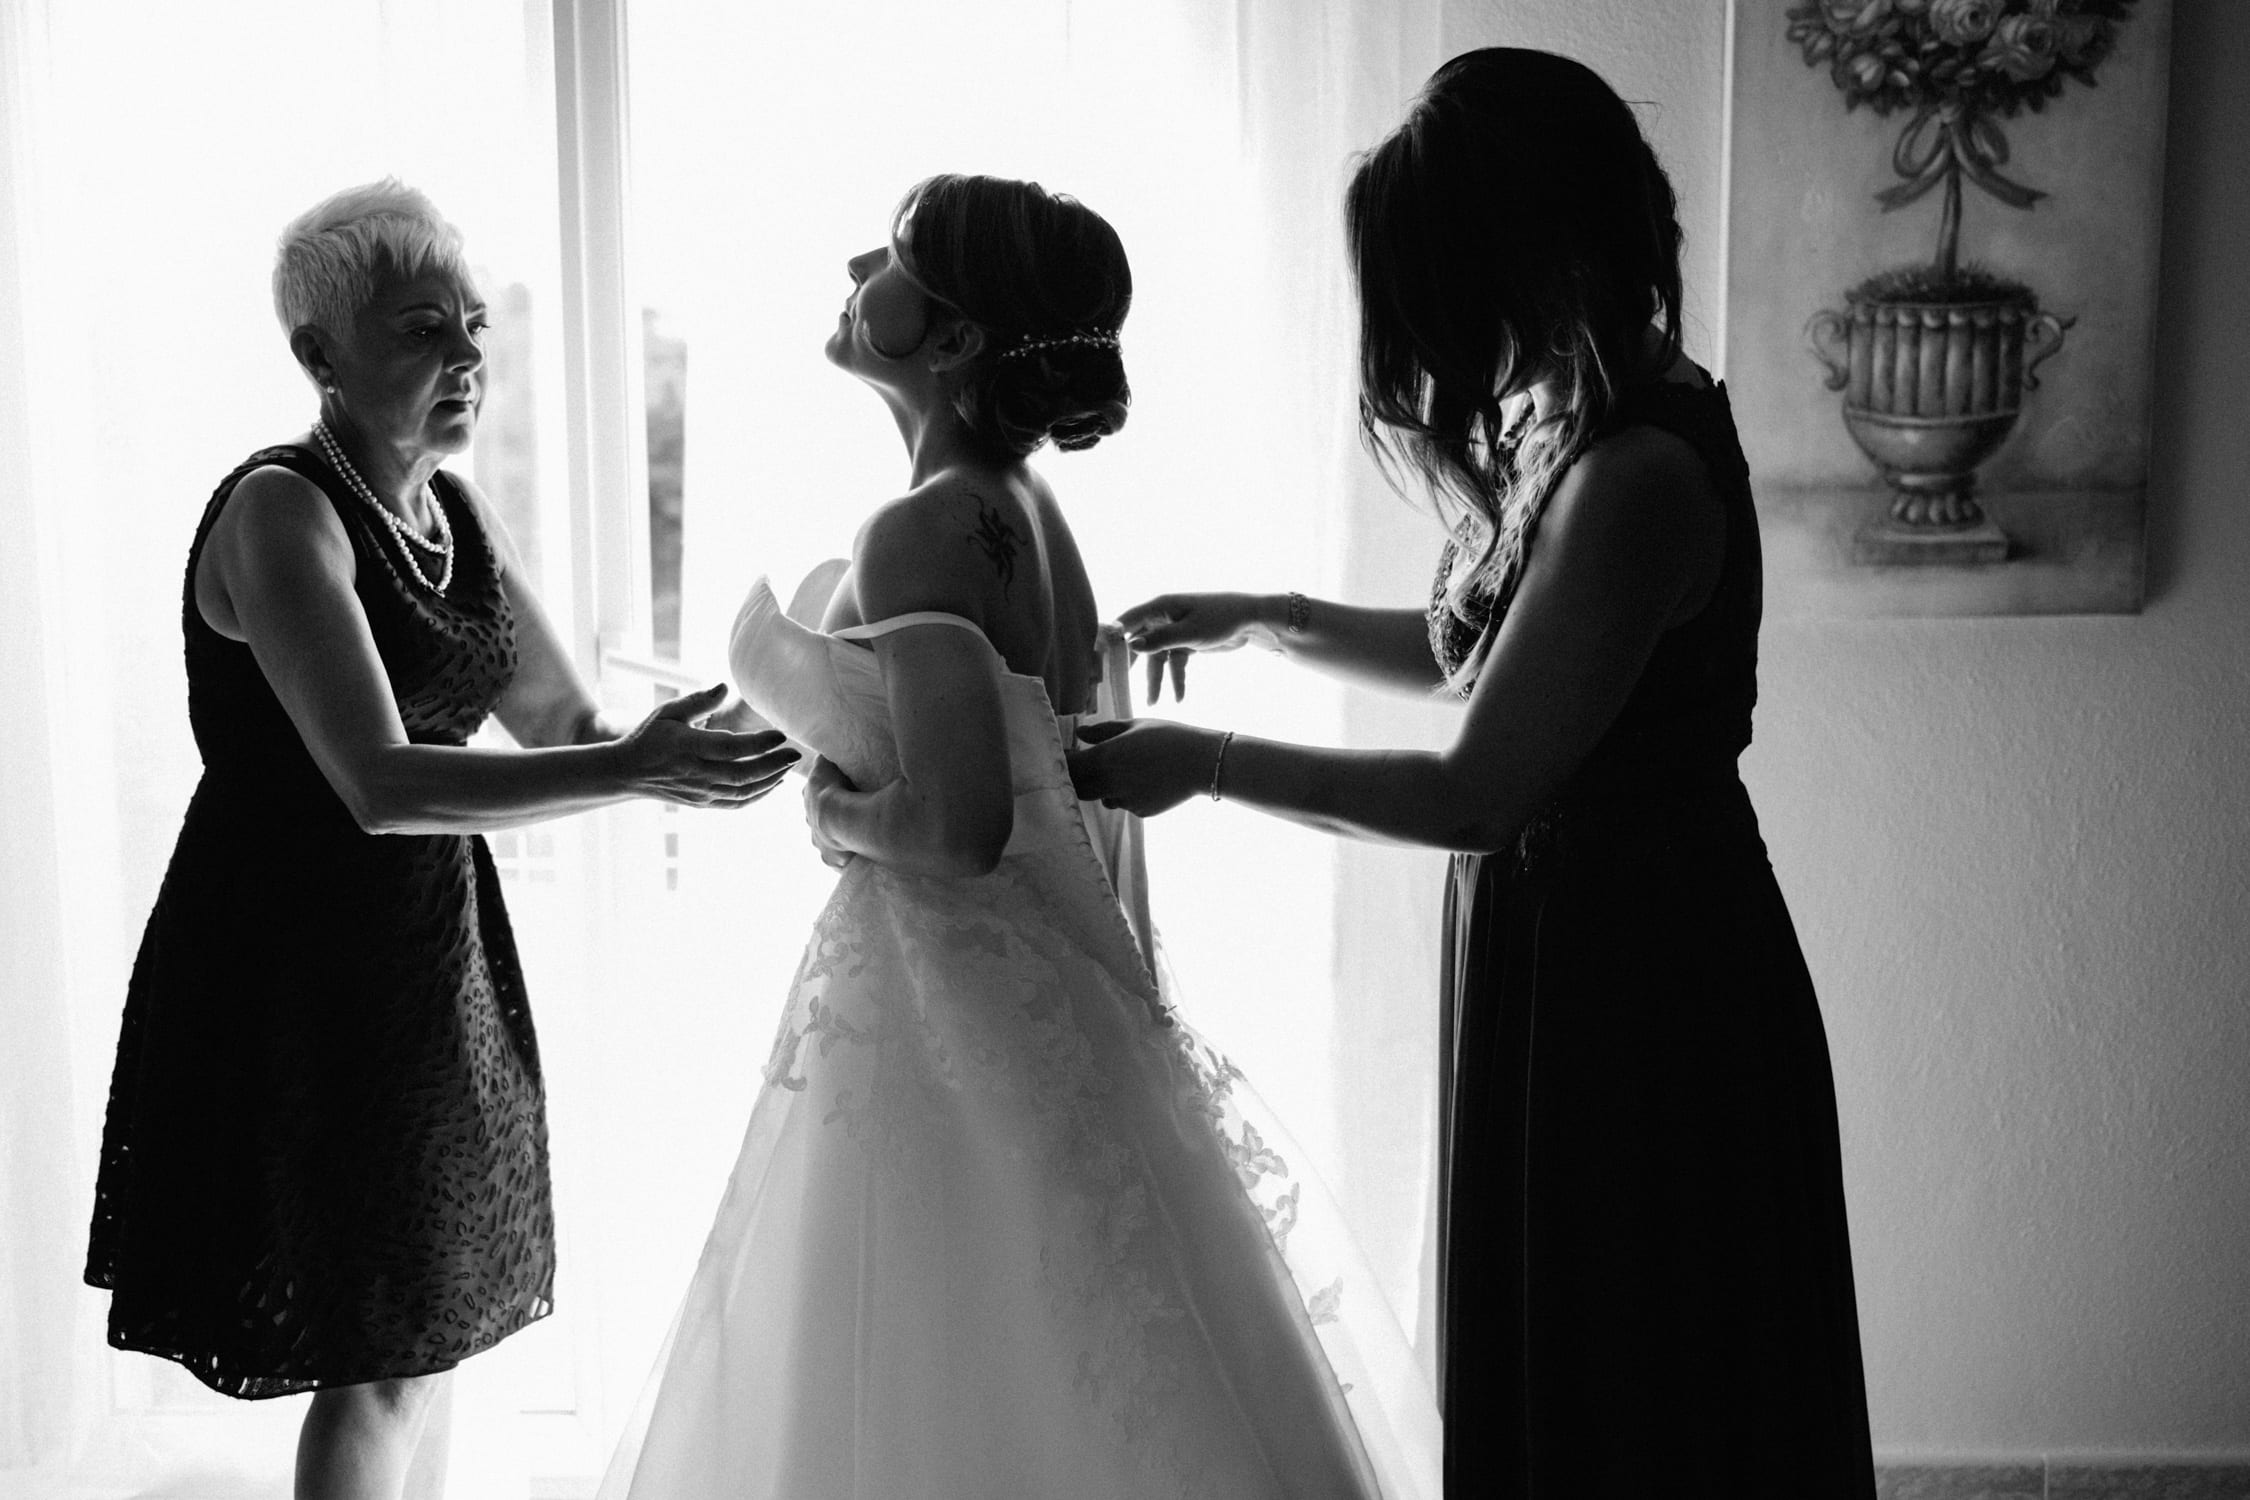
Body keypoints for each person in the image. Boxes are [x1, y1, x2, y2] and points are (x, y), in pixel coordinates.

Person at [1069, 48, 1878, 1497]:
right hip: (1560, 940)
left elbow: (1473, 790)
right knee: (1566, 1351)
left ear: (1540, 251)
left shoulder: (1637, 478)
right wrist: (1268, 617)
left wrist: (1207, 764)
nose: (1448, 351)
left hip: (1644, 974)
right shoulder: (1572, 407)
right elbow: (1488, 659)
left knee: (1643, 1373)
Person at [597, 174, 1437, 1500]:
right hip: (1037, 985)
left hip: (947, 1005)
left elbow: (958, 827)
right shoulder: (1028, 514)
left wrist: (830, 809)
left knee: (931, 1353)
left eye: (894, 252)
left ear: (950, 338)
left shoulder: (922, 529)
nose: (857, 262)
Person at [83, 179, 798, 1500]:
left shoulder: (455, 514)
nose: (468, 355)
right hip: (293, 966)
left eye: (474, 324)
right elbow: (374, 782)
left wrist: (767, 714)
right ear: (320, 354)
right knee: (379, 1353)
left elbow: (564, 721)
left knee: (432, 1328)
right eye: (423, 329)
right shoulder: (282, 511)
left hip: (431, 957)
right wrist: (632, 768)